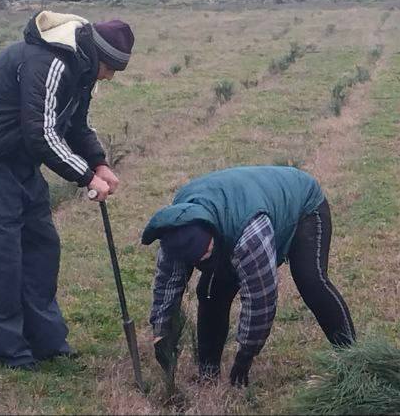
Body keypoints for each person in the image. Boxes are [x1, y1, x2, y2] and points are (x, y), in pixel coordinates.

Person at [0, 10, 134, 370]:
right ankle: (12, 352)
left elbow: (75, 124)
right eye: (111, 69)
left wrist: (99, 162)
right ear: (100, 57)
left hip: (19, 156)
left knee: (41, 245)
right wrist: (85, 177)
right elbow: (43, 134)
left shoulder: (81, 71)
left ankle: (48, 342)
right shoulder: (49, 62)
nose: (110, 77)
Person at [142, 166, 356, 388]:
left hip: (301, 204)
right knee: (211, 291)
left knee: (311, 282)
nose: (204, 262)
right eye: (198, 261)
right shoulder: (175, 230)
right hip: (240, 206)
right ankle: (208, 371)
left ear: (213, 233)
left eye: (208, 253)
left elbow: (260, 299)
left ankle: (354, 357)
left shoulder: (250, 236)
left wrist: (246, 353)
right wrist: (162, 333)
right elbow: (167, 285)